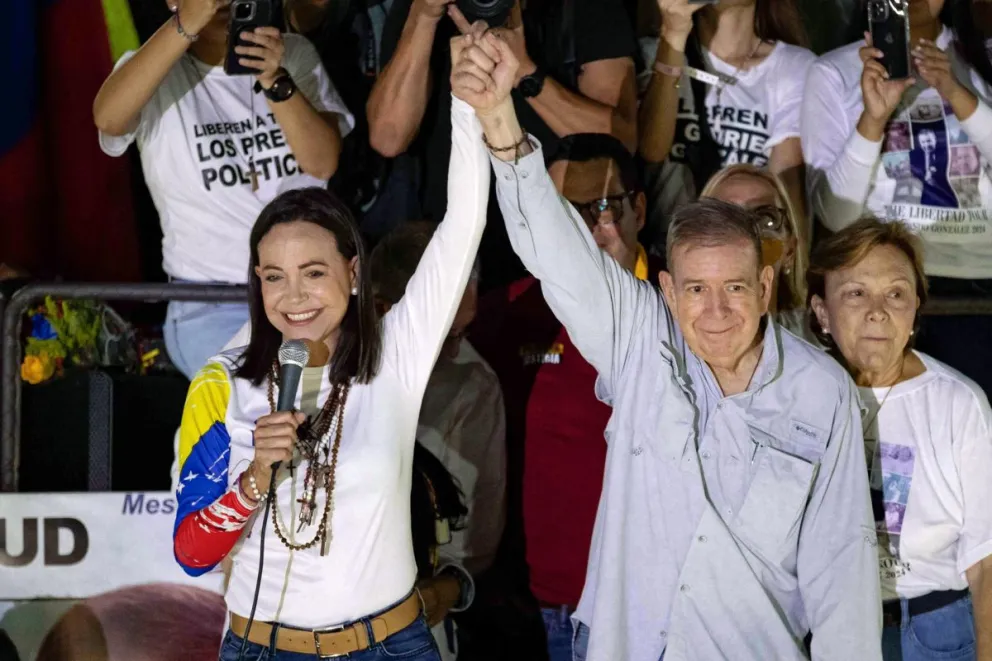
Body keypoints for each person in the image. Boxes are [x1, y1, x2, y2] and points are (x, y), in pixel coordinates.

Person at [457, 30, 882, 661]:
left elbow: (844, 572)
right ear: (667, 289)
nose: (716, 312)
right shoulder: (639, 341)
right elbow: (555, 250)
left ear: (766, 286)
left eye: (735, 287)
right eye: (697, 290)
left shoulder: (822, 392)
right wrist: (499, 118)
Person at [169, 28, 495, 660]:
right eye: (273, 277)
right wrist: (254, 481)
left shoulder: (396, 354)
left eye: (313, 272)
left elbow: (464, 225)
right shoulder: (224, 382)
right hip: (263, 648)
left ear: (352, 272)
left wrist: (466, 102)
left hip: (388, 645)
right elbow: (191, 553)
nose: (293, 297)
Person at [470, 131, 660, 661]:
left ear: (639, 210)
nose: (582, 227)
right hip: (532, 609)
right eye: (562, 211)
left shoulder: (685, 308)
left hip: (650, 605)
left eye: (601, 206)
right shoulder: (502, 315)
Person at [93, 0, 353, 379]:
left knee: (337, 397)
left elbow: (323, 162)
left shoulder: (291, 52)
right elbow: (108, 118)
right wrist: (185, 23)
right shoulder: (154, 68)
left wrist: (273, 78)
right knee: (262, 394)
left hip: (305, 293)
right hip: (211, 303)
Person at [807, 217, 992, 661]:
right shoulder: (800, 395)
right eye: (856, 293)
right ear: (822, 312)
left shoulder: (957, 402)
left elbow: (986, 561)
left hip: (937, 630)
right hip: (832, 627)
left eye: (895, 293)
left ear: (914, 311)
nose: (878, 310)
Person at [366, 0, 638, 287]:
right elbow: (387, 138)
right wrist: (424, 15)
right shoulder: (422, 8)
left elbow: (621, 141)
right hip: (458, 256)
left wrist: (524, 72)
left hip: (562, 247)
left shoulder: (583, 7)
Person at [801, 0, 992, 396]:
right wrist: (872, 119)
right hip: (883, 290)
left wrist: (957, 93)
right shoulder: (834, 72)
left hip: (981, 284)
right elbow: (834, 215)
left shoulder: (981, 59)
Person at [369, 221, 507, 659]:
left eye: (464, 332)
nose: (454, 351)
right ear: (381, 308)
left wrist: (444, 588)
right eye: (443, 333)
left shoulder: (473, 384)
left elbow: (472, 542)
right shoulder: (317, 370)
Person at [637, 0, 813, 254]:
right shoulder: (656, 52)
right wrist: (673, 36)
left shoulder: (792, 67)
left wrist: (793, 267)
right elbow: (651, 150)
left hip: (747, 257)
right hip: (665, 252)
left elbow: (786, 191)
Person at [699, 164, 814, 342]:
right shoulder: (665, 336)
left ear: (789, 252)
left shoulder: (821, 339)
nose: (746, 232)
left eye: (766, 218)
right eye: (724, 217)